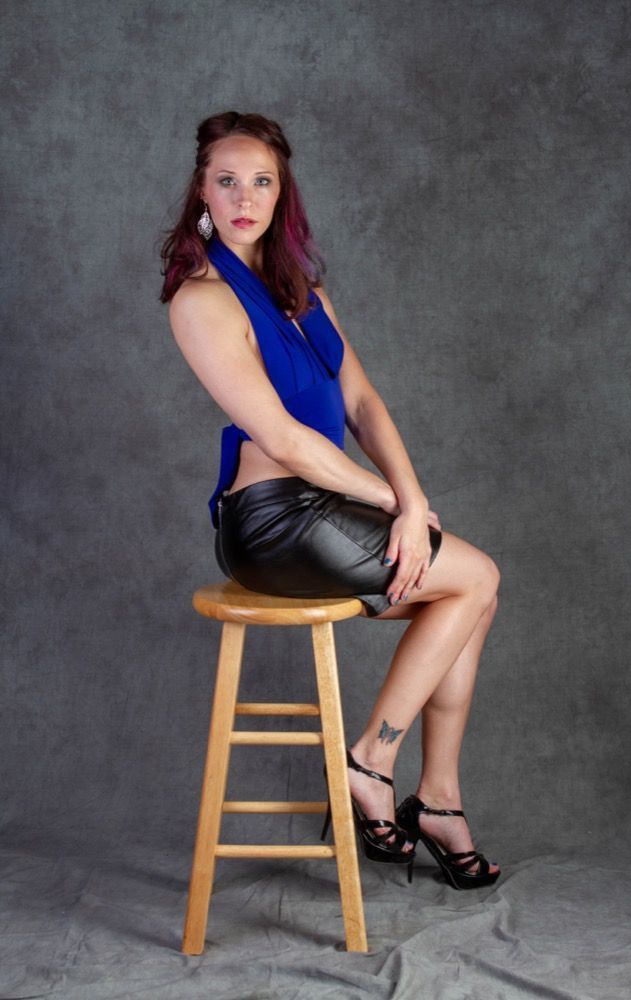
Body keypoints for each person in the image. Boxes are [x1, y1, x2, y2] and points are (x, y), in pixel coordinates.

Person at [160, 111, 501, 889]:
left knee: (473, 596)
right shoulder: (201, 299)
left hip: (326, 508)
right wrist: (395, 503)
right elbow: (282, 440)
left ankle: (440, 799)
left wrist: (411, 499)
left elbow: (364, 404)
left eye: (262, 181)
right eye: (227, 180)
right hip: (273, 522)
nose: (244, 196)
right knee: (475, 579)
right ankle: (370, 761)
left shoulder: (302, 292)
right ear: (200, 192)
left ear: (282, 194)